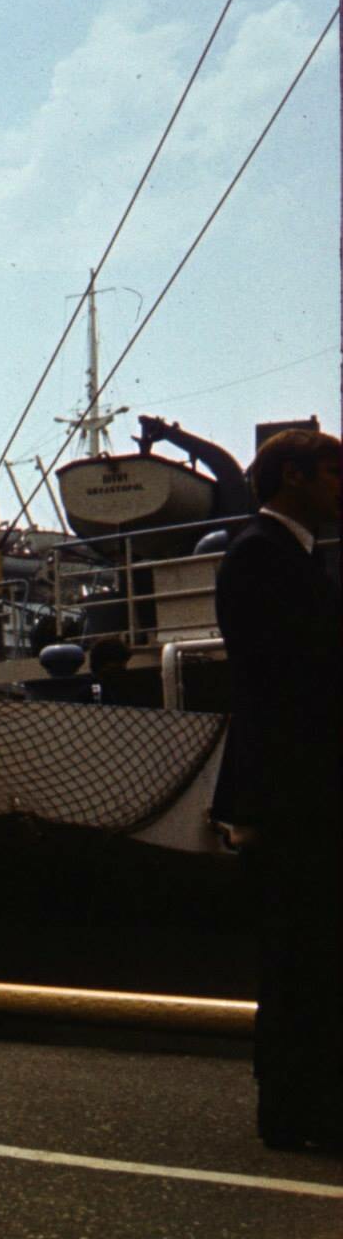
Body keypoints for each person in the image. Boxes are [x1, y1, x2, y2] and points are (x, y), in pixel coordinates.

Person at [210, 428, 341, 1151]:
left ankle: (305, 1107)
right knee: (303, 955)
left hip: (295, 791)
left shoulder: (284, 554)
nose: (340, 486)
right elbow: (292, 680)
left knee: (310, 953)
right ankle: (296, 1115)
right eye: (331, 471)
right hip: (296, 795)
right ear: (291, 476)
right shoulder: (263, 554)